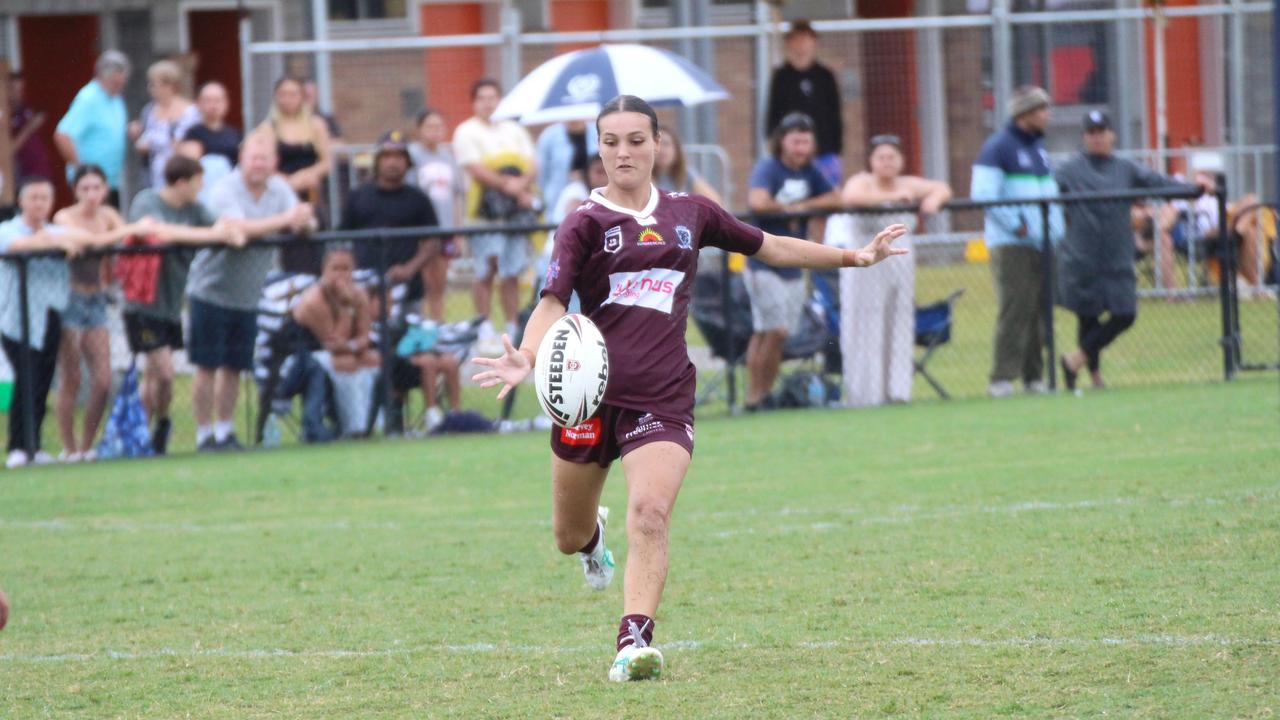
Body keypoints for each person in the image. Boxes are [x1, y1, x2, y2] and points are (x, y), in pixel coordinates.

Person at [472, 94, 907, 682]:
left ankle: (633, 643)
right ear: (598, 149)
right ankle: (593, 537)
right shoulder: (582, 221)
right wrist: (526, 355)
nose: (623, 151)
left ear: (658, 145)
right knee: (566, 535)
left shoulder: (691, 212)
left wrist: (854, 257)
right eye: (611, 141)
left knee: (650, 513)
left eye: (635, 139)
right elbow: (552, 301)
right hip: (587, 397)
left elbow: (771, 244)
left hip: (663, 395)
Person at [0, 178, 139, 468]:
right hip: (16, 315)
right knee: (25, 377)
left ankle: (34, 445)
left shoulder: (58, 231)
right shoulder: (8, 229)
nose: (39, 204)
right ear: (22, 201)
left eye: (45, 198)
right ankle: (17, 446)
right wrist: (57, 241)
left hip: (51, 312)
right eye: (34, 198)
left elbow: (94, 240)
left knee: (41, 379)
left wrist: (135, 229)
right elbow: (19, 245)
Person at [190, 131, 314, 451]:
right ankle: (204, 435)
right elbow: (239, 228)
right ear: (241, 160)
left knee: (234, 366)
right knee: (207, 365)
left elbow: (302, 221)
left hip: (248, 294)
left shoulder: (279, 189)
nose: (258, 164)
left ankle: (225, 432)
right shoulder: (224, 189)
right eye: (253, 158)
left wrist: (303, 221)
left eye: (265, 158)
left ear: (274, 162)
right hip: (211, 290)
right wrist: (288, 218)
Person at [1054, 111, 1194, 391]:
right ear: (1084, 137)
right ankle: (1093, 377)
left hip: (1117, 254)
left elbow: (1157, 182)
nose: (1097, 137)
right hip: (1082, 256)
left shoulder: (1125, 168)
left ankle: (1074, 360)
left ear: (1112, 135)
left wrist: (1193, 189)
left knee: (1125, 313)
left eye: (1102, 131)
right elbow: (1045, 192)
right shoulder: (1070, 170)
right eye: (1091, 132)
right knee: (1088, 316)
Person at [124, 154, 246, 454]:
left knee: (158, 379)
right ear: (181, 183)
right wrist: (210, 235)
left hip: (170, 306)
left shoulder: (194, 209)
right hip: (142, 305)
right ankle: (141, 434)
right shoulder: (147, 201)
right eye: (197, 183)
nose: (201, 189)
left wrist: (231, 232)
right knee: (163, 371)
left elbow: (228, 229)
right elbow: (157, 232)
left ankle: (154, 428)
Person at [840, 133, 952, 406]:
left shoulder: (909, 183)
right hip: (865, 264)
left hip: (900, 264)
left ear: (901, 160)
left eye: (892, 157)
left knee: (899, 322)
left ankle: (897, 391)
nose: (887, 162)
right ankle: (866, 394)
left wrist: (932, 201)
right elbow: (852, 197)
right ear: (871, 160)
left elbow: (941, 188)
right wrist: (889, 196)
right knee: (867, 322)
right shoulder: (862, 182)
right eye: (881, 157)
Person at [743, 112, 843, 411]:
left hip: (793, 265)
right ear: (782, 141)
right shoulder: (769, 168)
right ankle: (756, 395)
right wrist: (788, 209)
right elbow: (758, 202)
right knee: (774, 331)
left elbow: (836, 198)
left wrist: (800, 207)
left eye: (806, 141)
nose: (801, 147)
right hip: (763, 264)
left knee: (771, 332)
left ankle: (762, 395)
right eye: (795, 140)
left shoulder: (811, 172)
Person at [970, 85, 1065, 398]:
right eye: (1042, 109)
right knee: (1016, 308)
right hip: (1012, 244)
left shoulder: (1039, 149)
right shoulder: (997, 148)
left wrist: (1055, 229)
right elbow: (984, 195)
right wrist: (1019, 226)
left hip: (1043, 242)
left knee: (1040, 310)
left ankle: (1034, 377)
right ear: (1025, 113)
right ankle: (1002, 378)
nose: (1047, 115)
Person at [343, 130, 439, 433]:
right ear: (376, 161)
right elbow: (341, 242)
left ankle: (400, 415)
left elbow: (432, 242)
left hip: (408, 294)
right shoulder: (358, 197)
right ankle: (367, 417)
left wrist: (411, 268)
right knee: (370, 351)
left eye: (399, 157)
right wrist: (359, 281)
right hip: (364, 297)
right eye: (387, 157)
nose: (393, 163)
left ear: (407, 163)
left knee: (407, 354)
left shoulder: (418, 199)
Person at [452, 79, 538, 346]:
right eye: (482, 98)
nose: (488, 103)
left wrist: (520, 186)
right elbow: (474, 167)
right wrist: (509, 186)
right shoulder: (466, 131)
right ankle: (484, 326)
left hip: (515, 215)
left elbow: (532, 163)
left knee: (511, 271)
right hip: (484, 215)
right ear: (474, 102)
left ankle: (512, 326)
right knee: (486, 269)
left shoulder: (514, 129)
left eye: (493, 97)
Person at [51, 166, 122, 461]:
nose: (92, 195)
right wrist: (128, 230)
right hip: (70, 298)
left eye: (97, 188)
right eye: (85, 188)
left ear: (105, 189)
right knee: (72, 377)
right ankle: (68, 448)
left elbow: (125, 236)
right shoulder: (64, 216)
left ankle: (86, 446)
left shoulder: (108, 216)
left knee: (103, 379)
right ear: (75, 191)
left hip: (97, 299)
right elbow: (84, 240)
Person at [291, 244, 379, 437]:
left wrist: (354, 345)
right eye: (335, 268)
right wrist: (347, 308)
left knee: (373, 358)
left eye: (346, 268)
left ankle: (373, 423)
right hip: (304, 358)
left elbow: (365, 337)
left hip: (344, 350)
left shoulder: (359, 294)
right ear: (324, 270)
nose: (341, 274)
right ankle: (353, 428)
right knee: (346, 362)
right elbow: (333, 344)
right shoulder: (314, 300)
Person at [259, 76, 331, 272]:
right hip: (282, 193)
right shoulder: (269, 127)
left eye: (293, 94)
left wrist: (306, 175)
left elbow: (326, 162)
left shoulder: (316, 124)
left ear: (302, 97)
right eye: (283, 94)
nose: (288, 99)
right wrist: (287, 182)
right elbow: (264, 163)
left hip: (310, 192)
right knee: (289, 248)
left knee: (314, 244)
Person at [765, 21, 844, 187]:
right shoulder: (781, 76)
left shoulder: (825, 75)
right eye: (796, 39)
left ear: (814, 42)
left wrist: (836, 148)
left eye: (805, 39)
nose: (801, 44)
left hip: (823, 149)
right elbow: (773, 110)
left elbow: (835, 113)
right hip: (790, 152)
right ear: (789, 43)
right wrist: (773, 138)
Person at [54, 51, 131, 207]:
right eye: (117, 81)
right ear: (105, 76)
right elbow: (62, 135)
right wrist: (83, 170)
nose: (121, 85)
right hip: (91, 186)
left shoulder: (115, 97)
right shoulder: (89, 99)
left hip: (110, 180)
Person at [409, 108, 465, 321]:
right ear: (419, 129)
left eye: (439, 127)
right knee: (423, 281)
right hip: (421, 230)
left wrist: (458, 231)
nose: (434, 132)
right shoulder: (412, 155)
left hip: (445, 228)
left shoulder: (447, 157)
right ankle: (420, 323)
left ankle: (438, 323)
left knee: (439, 282)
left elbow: (456, 196)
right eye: (429, 127)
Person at [130, 60, 200, 191]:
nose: (151, 89)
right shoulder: (149, 111)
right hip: (154, 174)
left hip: (182, 172)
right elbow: (144, 141)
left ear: (170, 86)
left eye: (155, 84)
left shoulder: (190, 112)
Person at [537, 119, 598, 216]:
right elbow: (542, 173)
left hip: (591, 192)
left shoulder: (596, 132)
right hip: (557, 195)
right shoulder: (549, 136)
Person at [653, 125, 722, 204]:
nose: (662, 150)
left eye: (666, 144)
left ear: (676, 149)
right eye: (657, 145)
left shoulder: (687, 174)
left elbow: (714, 202)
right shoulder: (644, 177)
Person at [183, 81, 242, 169]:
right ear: (198, 103)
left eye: (218, 100)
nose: (213, 106)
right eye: (208, 100)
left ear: (226, 103)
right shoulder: (192, 134)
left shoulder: (235, 134)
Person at [8, 73, 53, 182]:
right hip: (21, 173)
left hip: (39, 168)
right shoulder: (5, 118)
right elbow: (9, 150)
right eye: (13, 89)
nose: (18, 94)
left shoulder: (27, 109)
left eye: (21, 90)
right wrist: (30, 127)